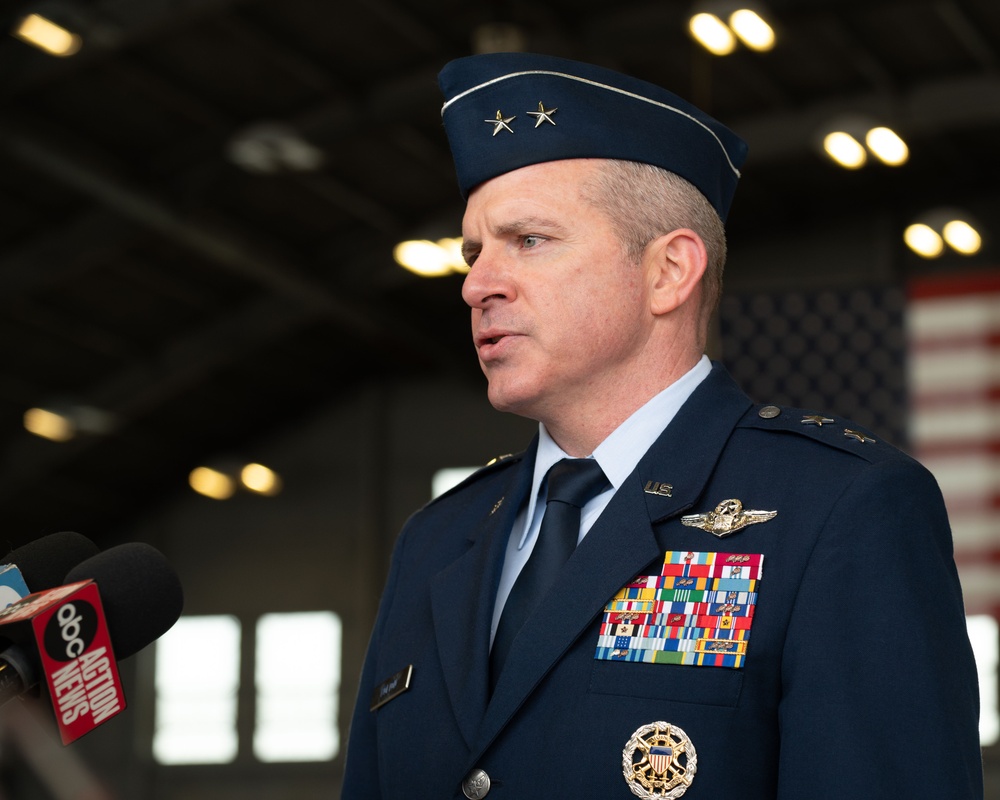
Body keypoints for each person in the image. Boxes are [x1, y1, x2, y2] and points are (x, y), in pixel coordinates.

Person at [342, 52, 983, 799]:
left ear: (669, 272)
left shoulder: (839, 509)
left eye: (529, 241)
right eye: (474, 252)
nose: (477, 284)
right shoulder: (436, 541)